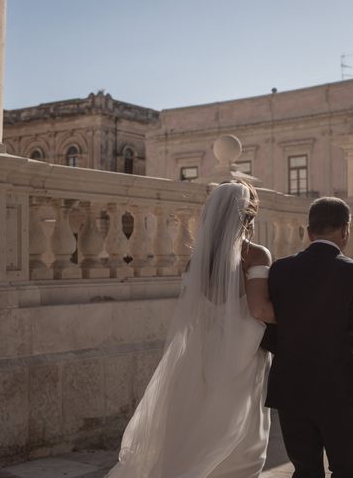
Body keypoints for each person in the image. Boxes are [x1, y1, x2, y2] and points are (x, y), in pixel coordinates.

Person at [106, 181, 276, 478]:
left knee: (198, 427)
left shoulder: (196, 262)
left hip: (202, 352)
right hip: (242, 357)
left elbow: (193, 315)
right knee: (241, 438)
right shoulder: (256, 256)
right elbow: (259, 309)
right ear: (248, 216)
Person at [263, 197, 353, 478]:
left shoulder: (280, 269)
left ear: (308, 230)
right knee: (348, 471)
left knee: (305, 471)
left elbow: (268, 334)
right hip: (342, 391)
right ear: (345, 230)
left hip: (292, 391)